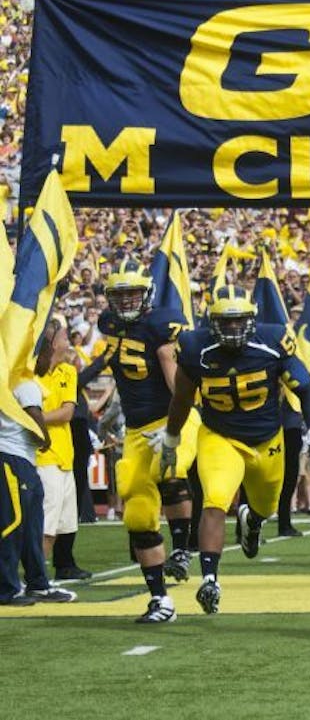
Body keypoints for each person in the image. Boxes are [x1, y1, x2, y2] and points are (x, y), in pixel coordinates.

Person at [165, 285, 310, 614]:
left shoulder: (273, 340)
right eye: (227, 321)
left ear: (252, 320)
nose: (234, 328)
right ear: (213, 321)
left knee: (266, 507)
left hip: (267, 440)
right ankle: (210, 580)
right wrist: (171, 436)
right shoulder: (196, 347)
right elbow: (181, 397)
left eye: (240, 321)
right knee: (214, 500)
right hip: (219, 437)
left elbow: (306, 388)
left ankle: (252, 520)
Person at [94, 260, 200, 622]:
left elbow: (177, 380)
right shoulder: (107, 324)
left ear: (147, 294)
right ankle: (161, 601)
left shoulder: (161, 325)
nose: (125, 301)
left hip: (173, 419)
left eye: (132, 293)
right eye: (119, 295)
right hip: (137, 430)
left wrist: (175, 425)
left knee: (168, 468)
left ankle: (183, 549)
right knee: (137, 513)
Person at [0, 376, 76, 606]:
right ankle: (7, 588)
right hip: (12, 456)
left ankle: (37, 583)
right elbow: (33, 414)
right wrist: (45, 438)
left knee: (33, 527)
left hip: (24, 459)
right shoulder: (23, 381)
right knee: (13, 525)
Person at [35, 320, 84, 580]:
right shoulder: (30, 373)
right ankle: (38, 577)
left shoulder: (68, 371)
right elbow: (63, 413)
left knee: (65, 521)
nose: (69, 344)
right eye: (65, 338)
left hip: (65, 455)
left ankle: (57, 569)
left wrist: (37, 416)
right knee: (47, 524)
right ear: (53, 343)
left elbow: (68, 412)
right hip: (43, 456)